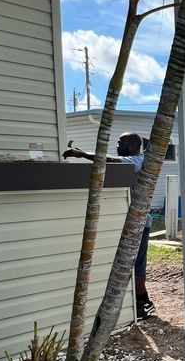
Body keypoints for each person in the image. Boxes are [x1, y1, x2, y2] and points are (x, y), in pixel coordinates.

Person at [64, 133, 156, 319]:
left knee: (137, 265)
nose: (117, 145)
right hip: (129, 222)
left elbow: (113, 160)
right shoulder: (132, 160)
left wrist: (83, 155)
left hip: (140, 224)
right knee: (130, 264)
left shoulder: (139, 160)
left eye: (120, 142)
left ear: (131, 146)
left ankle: (144, 302)